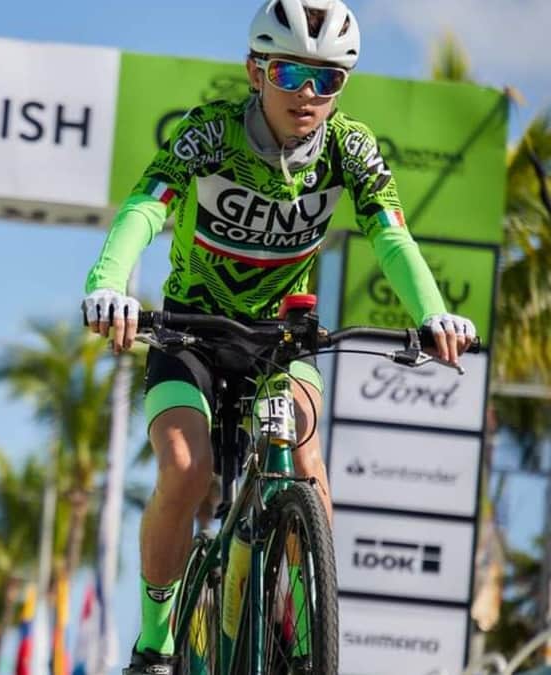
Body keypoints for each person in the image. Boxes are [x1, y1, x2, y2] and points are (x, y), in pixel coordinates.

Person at [80, 1, 476, 673]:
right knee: (185, 468)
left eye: (328, 79)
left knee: (311, 469)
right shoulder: (209, 134)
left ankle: (299, 629)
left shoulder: (350, 147)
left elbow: (389, 233)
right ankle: (155, 640)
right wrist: (109, 281)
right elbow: (145, 208)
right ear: (255, 71)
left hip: (279, 341)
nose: (307, 94)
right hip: (192, 331)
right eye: (291, 72)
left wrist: (432, 311)